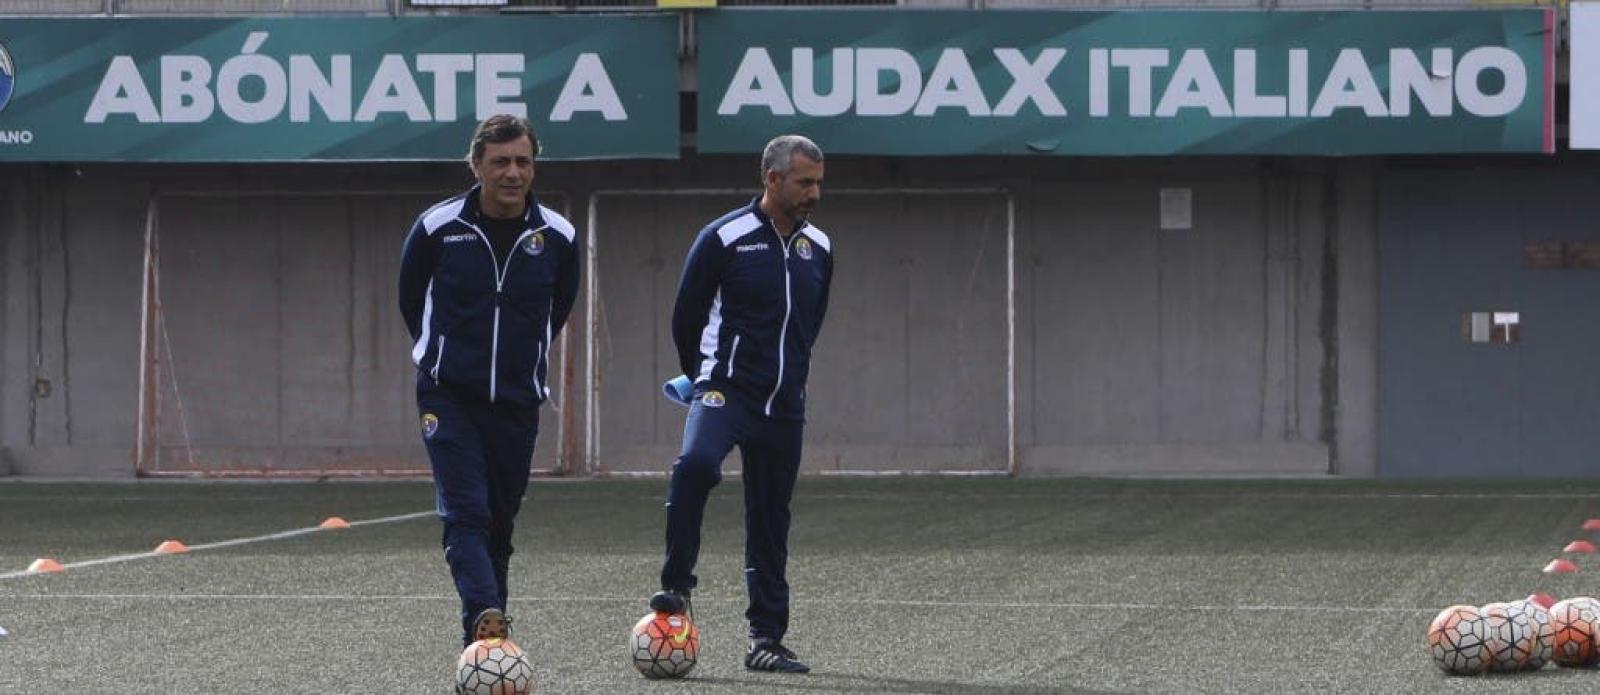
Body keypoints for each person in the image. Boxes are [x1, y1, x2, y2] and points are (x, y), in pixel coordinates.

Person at [649, 134, 832, 674]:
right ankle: (676, 586)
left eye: (818, 183)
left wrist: (791, 376)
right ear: (772, 179)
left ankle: (766, 639)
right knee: (695, 465)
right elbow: (686, 317)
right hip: (725, 392)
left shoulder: (820, 247)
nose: (814, 193)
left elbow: (811, 322)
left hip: (784, 404)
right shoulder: (723, 238)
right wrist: (706, 373)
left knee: (771, 519)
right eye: (804, 182)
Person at [398, 114, 579, 648]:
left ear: (534, 167)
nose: (512, 173)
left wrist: (520, 363)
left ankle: (487, 646)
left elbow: (557, 310)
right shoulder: (436, 228)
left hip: (518, 402)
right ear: (476, 165)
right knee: (466, 512)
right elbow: (411, 302)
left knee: (499, 521)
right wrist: (447, 358)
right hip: (448, 396)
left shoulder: (559, 237)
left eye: (523, 162)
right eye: (500, 162)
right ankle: (483, 614)